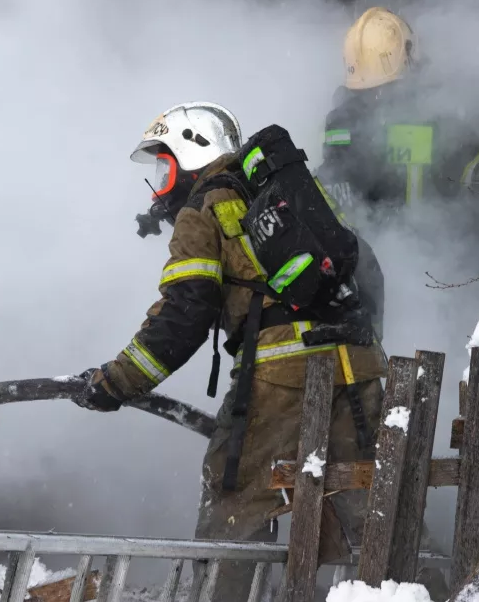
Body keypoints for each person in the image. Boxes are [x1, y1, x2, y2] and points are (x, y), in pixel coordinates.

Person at [72, 101, 439, 600]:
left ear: (191, 152)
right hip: (359, 366)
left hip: (279, 378)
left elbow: (183, 315)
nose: (161, 184)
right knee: (376, 503)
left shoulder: (207, 207)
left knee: (235, 503)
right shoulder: (292, 192)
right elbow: (367, 269)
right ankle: (444, 590)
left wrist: (115, 382)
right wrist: (354, 345)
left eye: (165, 166)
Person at [315, 6, 479, 299]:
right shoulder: (434, 119)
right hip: (434, 274)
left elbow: (332, 189)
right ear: (405, 57)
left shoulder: (342, 123)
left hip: (362, 280)